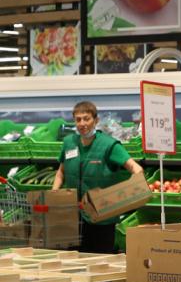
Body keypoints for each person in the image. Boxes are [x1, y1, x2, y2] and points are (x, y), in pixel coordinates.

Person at [52, 101, 143, 253]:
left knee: (100, 259)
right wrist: (54, 194)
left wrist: (124, 195)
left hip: (101, 217)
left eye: (86, 119)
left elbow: (136, 169)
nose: (82, 123)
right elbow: (61, 172)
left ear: (96, 120)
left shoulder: (109, 145)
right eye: (78, 119)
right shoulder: (69, 143)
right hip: (73, 217)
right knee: (74, 260)